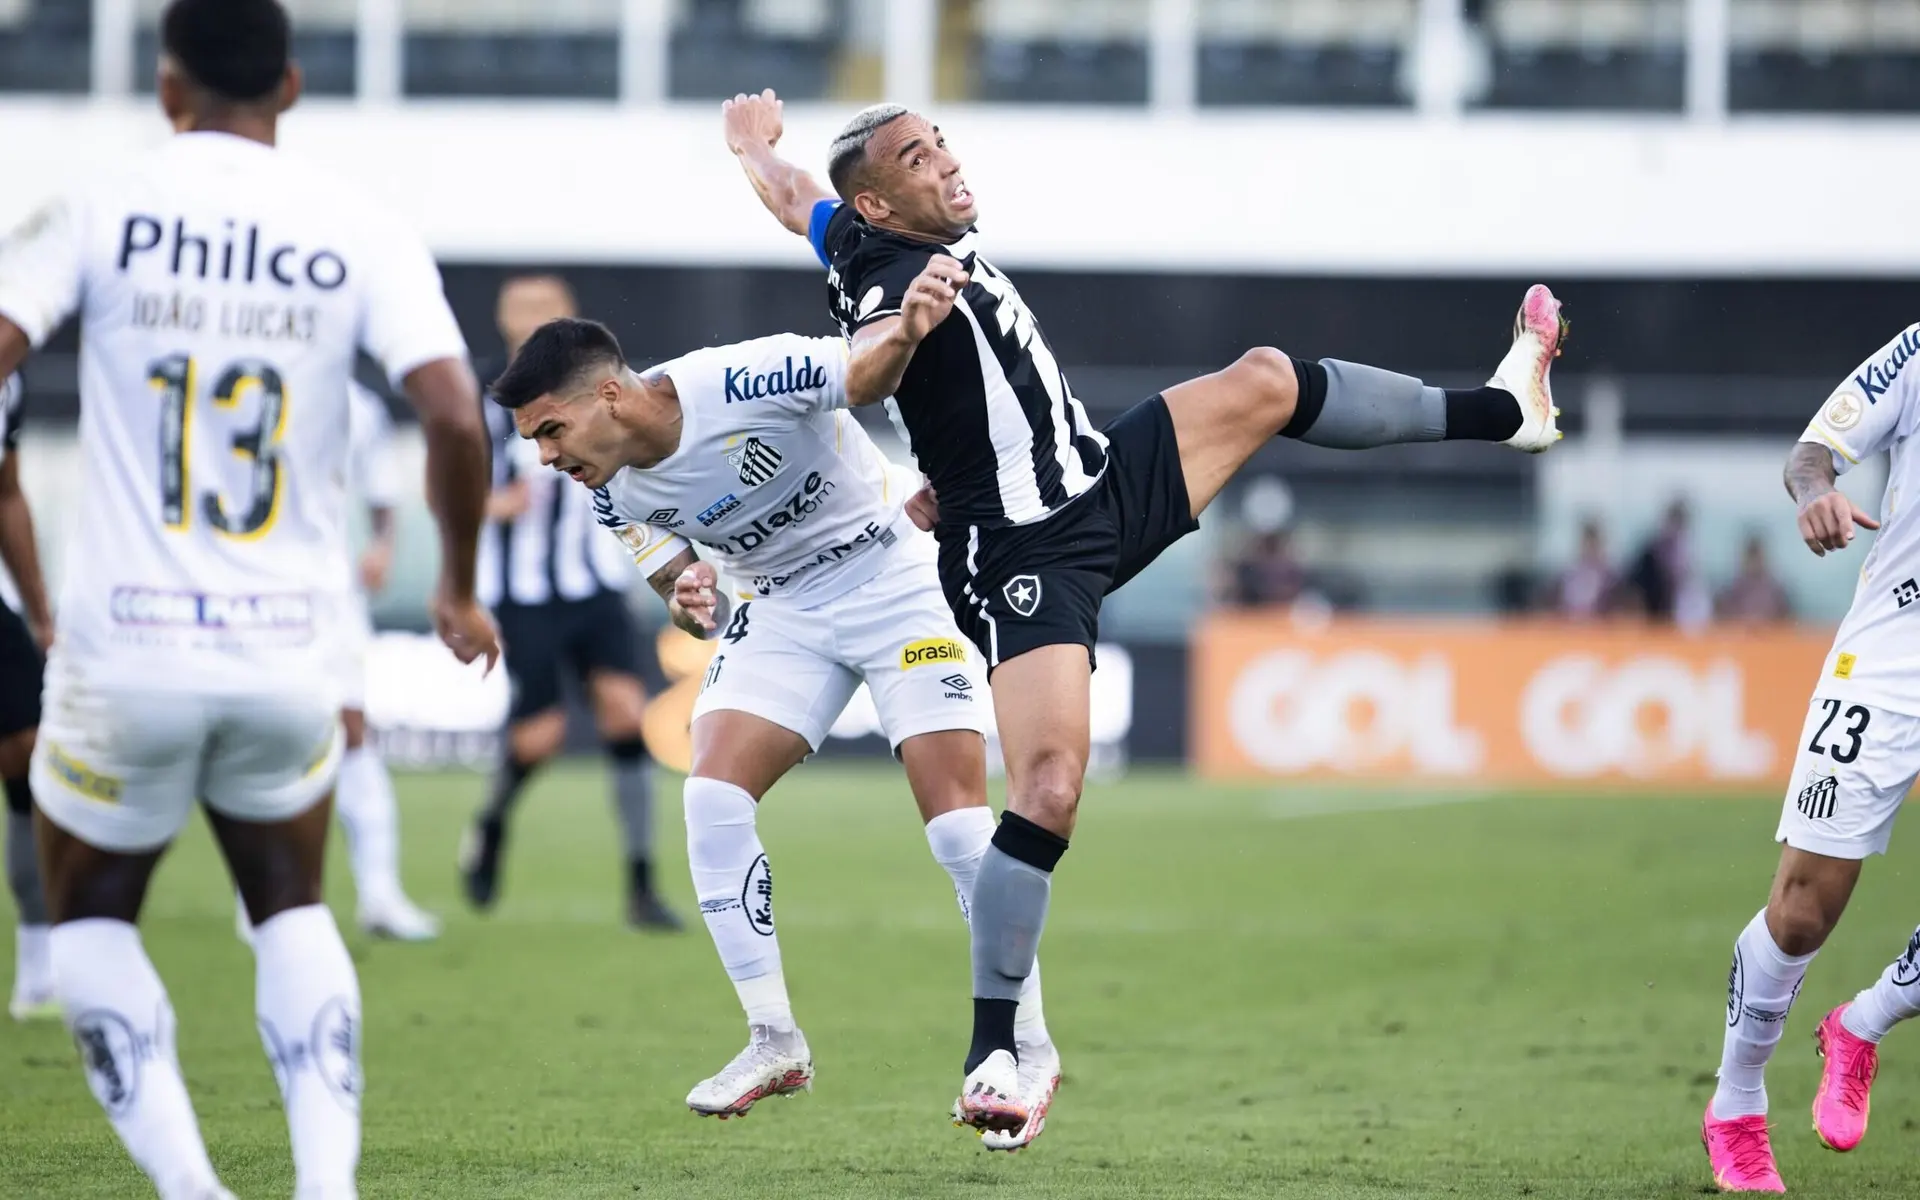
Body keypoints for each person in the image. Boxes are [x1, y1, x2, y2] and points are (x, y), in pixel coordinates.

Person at [722, 87, 1566, 1132]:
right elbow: (867, 365)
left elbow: (794, 195)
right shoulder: (892, 281)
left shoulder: (857, 233)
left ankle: (1508, 409)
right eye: (919, 159)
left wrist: (752, 146)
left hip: (1100, 482)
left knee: (1266, 380)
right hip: (1023, 553)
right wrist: (907, 336)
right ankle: (1000, 1054)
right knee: (1049, 788)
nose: (947, 162)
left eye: (940, 143)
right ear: (883, 206)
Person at [0, 2, 498, 1196]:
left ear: (167, 88)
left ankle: (194, 1189)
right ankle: (324, 1188)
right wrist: (457, 585)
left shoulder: (100, 205)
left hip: (124, 644)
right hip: (288, 646)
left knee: (91, 923)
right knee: (289, 906)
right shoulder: (359, 225)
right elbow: (451, 412)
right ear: (291, 85)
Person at [489, 317, 1062, 1149]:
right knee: (712, 799)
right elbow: (675, 582)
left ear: (608, 395)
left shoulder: (742, 377)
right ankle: (774, 1039)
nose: (545, 456)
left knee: (957, 826)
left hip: (897, 575)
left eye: (550, 430)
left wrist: (908, 327)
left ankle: (1027, 1050)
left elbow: (866, 374)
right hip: (783, 609)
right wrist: (686, 596)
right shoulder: (609, 487)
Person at [1697, 324, 1920, 1192]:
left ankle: (1863, 1022)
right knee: (1800, 911)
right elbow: (1813, 451)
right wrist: (1817, 492)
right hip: (1894, 654)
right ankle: (1736, 1104)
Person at [458, 274, 680, 930]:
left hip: (594, 584)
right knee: (541, 736)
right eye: (521, 310)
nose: (532, 320)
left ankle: (642, 883)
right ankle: (491, 823)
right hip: (523, 594)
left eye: (545, 310)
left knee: (626, 714)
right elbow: (446, 488)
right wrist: (491, 505)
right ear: (503, 320)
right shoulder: (480, 397)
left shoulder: (599, 388)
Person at [234, 381, 441, 942]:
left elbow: (380, 492)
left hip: (328, 591)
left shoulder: (357, 405)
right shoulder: (237, 382)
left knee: (351, 730)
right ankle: (259, 896)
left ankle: (380, 894)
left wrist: (382, 546)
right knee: (260, 732)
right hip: (245, 589)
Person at [0, 370, 57, 1019]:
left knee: (30, 750)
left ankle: (40, 968)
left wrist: (41, 614)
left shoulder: (10, 373)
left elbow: (6, 492)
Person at [1716, 532, 1792, 625]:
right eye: (1751, 557)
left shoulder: (1776, 592)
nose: (1754, 562)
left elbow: (1787, 621)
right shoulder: (1732, 591)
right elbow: (1722, 620)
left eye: (1757, 557)